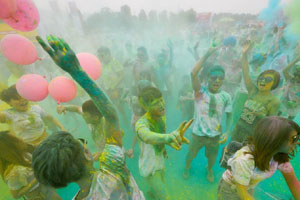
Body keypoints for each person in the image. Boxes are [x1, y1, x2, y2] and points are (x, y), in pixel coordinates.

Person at [32, 35, 144, 200]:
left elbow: (83, 110)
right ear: (88, 154)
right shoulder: (112, 170)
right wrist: (75, 71)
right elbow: (111, 114)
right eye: (82, 144)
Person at [218, 116, 300, 200]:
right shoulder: (245, 160)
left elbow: (292, 181)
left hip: (248, 187)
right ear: (275, 139)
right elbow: (242, 193)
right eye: (294, 139)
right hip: (230, 189)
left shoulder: (278, 156)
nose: (297, 143)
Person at [183, 47, 233, 183]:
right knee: (190, 155)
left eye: (220, 78)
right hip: (197, 134)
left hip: (214, 136)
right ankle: (187, 167)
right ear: (208, 78)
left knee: (212, 158)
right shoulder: (200, 92)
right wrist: (206, 54)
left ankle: (209, 169)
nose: (217, 80)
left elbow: (229, 115)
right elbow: (193, 73)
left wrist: (227, 131)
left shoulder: (226, 96)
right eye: (213, 77)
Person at [135, 86, 193, 200]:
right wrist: (168, 138)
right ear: (146, 107)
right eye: (156, 103)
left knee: (161, 182)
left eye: (161, 100)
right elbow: (147, 137)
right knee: (164, 196)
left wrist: (165, 147)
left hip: (159, 160)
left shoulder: (161, 116)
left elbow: (161, 134)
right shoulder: (141, 123)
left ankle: (152, 192)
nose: (161, 104)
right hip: (149, 166)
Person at [230, 41, 281, 143]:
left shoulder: (274, 101)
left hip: (251, 137)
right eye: (261, 78)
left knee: (242, 158)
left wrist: (260, 115)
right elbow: (245, 71)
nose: (263, 81)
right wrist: (244, 54)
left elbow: (270, 124)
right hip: (238, 130)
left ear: (274, 84)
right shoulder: (253, 91)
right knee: (228, 157)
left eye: (268, 80)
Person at [0, 131, 61, 200]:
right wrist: (36, 179)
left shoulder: (24, 154)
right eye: (16, 139)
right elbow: (16, 195)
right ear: (11, 148)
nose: (21, 139)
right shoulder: (14, 172)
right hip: (40, 194)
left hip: (46, 187)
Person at [0, 85, 65, 146]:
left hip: (48, 140)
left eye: (23, 96)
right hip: (31, 148)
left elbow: (51, 118)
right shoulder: (8, 114)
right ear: (9, 102)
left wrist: (62, 128)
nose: (22, 100)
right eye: (17, 99)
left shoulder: (36, 108)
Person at [280, 55, 300, 119]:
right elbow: (284, 71)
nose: (297, 77)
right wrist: (296, 60)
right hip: (282, 106)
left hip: (293, 110)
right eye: (296, 74)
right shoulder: (290, 80)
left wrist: (296, 102)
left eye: (299, 76)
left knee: (288, 123)